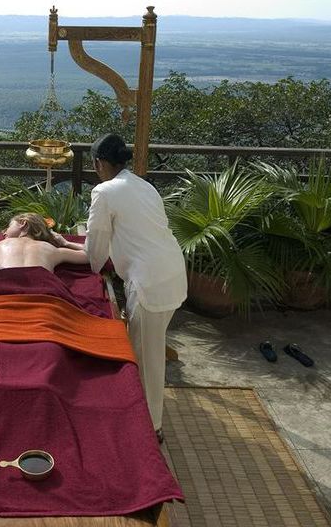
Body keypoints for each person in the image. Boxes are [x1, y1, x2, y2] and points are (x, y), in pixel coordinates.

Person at [60, 134, 187, 443]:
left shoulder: (104, 191)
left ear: (98, 163)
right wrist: (72, 244)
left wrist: (69, 249)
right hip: (172, 272)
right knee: (147, 350)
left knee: (147, 359)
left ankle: (151, 428)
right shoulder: (145, 185)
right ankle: (143, 416)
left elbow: (96, 253)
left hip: (150, 283)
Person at [0, 213, 88, 271]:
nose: (3, 232)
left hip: (5, 284)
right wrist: (66, 243)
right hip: (43, 288)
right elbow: (92, 256)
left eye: (8, 226)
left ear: (23, 223)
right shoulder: (51, 249)